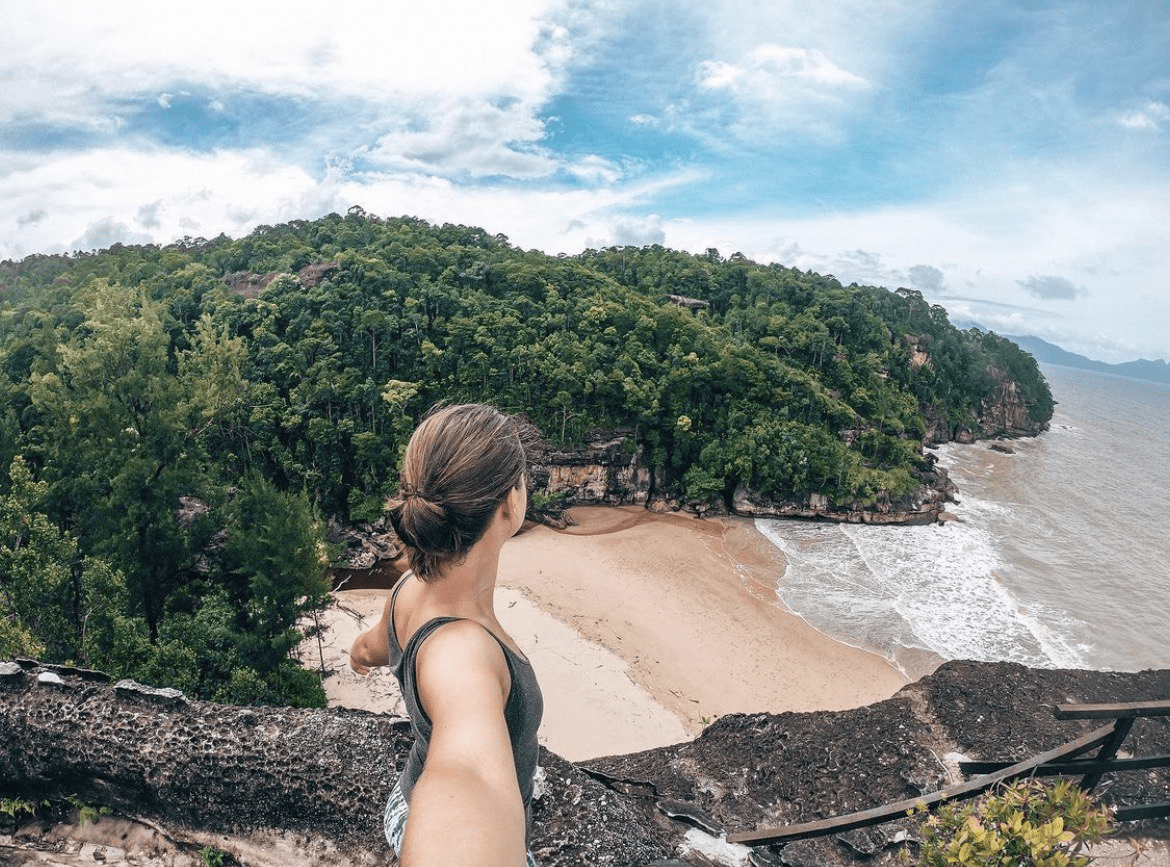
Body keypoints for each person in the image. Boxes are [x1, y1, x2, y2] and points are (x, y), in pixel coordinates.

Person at [349, 403, 543, 867]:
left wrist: (356, 656)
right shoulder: (463, 652)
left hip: (406, 801)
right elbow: (467, 770)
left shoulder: (407, 590)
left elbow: (373, 646)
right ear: (511, 503)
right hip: (429, 822)